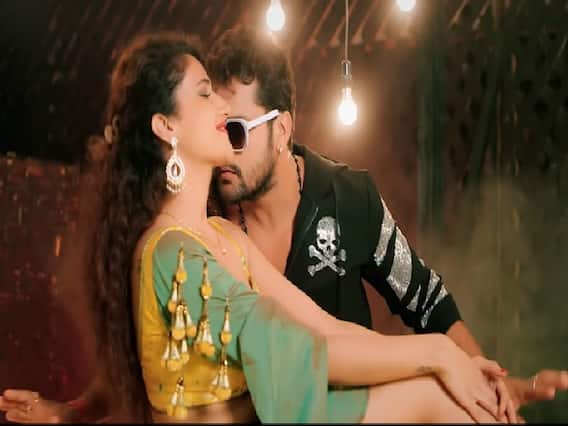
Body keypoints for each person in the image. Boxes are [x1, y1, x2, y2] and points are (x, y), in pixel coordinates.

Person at [1, 31, 510, 424]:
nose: (222, 108)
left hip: (304, 400)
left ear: (283, 129)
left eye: (237, 120)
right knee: (433, 395)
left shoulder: (232, 234)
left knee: (442, 396)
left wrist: (459, 363)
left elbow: (326, 327)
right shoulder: (172, 255)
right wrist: (435, 357)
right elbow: (303, 351)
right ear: (165, 126)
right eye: (206, 94)